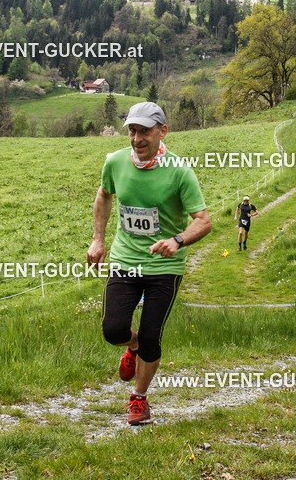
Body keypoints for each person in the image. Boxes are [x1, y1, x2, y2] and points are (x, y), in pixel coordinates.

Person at [88, 101, 212, 425]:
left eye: (144, 131)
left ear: (162, 131)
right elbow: (104, 194)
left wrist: (177, 240)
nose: (137, 138)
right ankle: (132, 345)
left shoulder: (180, 171)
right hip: (125, 259)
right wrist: (98, 239)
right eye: (132, 130)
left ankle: (139, 400)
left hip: (164, 267)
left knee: (153, 334)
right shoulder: (115, 162)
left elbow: (203, 220)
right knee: (113, 329)